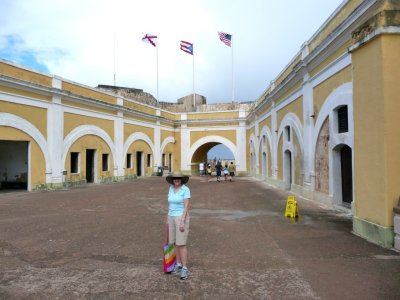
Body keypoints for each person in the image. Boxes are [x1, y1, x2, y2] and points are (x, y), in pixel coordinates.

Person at [166, 171, 191, 280]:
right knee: (174, 242)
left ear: (181, 179)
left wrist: (182, 221)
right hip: (171, 217)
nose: (176, 180)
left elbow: (186, 206)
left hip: (181, 217)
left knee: (182, 244)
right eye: (175, 178)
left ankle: (185, 268)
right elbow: (170, 204)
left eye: (179, 178)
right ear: (172, 179)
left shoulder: (185, 189)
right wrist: (168, 218)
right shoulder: (171, 188)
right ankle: (179, 264)